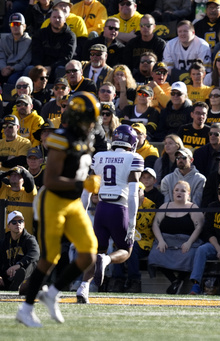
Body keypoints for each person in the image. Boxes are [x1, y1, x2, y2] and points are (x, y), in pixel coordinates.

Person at [15, 92, 101, 328]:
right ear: (74, 117)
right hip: (52, 201)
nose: (91, 123)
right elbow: (51, 180)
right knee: (49, 258)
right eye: (87, 118)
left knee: (89, 253)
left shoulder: (86, 137)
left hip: (72, 203)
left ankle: (52, 293)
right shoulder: (61, 138)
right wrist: (82, 184)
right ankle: (26, 308)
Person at [76, 124, 144, 303]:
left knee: (95, 251)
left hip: (101, 210)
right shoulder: (133, 158)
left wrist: (83, 215)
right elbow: (133, 195)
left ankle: (83, 288)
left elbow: (87, 191)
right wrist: (132, 223)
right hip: (119, 209)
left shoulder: (99, 157)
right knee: (125, 251)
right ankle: (106, 261)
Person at [148, 180, 205, 295]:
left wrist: (189, 243)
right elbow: (155, 224)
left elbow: (199, 227)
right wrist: (160, 241)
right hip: (166, 241)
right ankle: (175, 281)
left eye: (183, 191)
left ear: (188, 194)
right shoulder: (165, 206)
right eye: (177, 190)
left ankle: (180, 279)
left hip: (187, 241)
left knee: (190, 255)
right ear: (173, 193)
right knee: (156, 254)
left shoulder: (193, 208)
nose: (179, 193)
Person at [110, 182, 156, 293]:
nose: (134, 193)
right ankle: (118, 280)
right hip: (127, 237)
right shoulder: (124, 204)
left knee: (132, 247)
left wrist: (133, 211)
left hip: (144, 241)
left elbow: (143, 224)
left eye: (138, 190)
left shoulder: (150, 205)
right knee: (119, 245)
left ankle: (135, 280)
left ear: (143, 193)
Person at [31, 8, 76, 81]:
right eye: (54, 17)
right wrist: (41, 68)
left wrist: (51, 67)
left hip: (58, 67)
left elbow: (66, 57)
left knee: (60, 69)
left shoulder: (70, 36)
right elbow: (36, 54)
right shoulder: (40, 34)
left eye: (59, 17)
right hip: (41, 66)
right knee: (29, 69)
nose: (57, 20)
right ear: (50, 19)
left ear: (64, 20)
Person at [0, 211, 40, 292]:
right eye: (14, 222)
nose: (18, 224)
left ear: (24, 224)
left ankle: (21, 284)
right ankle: (13, 285)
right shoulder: (4, 242)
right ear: (8, 226)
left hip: (24, 271)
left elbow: (35, 253)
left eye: (20, 221)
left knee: (31, 263)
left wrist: (19, 264)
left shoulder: (29, 239)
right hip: (9, 273)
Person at [0, 13, 32, 85]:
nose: (15, 26)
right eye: (12, 24)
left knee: (13, 79)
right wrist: (3, 68)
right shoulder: (3, 39)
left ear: (24, 26)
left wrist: (13, 68)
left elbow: (25, 62)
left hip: (19, 70)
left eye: (18, 24)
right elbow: (1, 57)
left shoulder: (29, 42)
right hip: (4, 68)